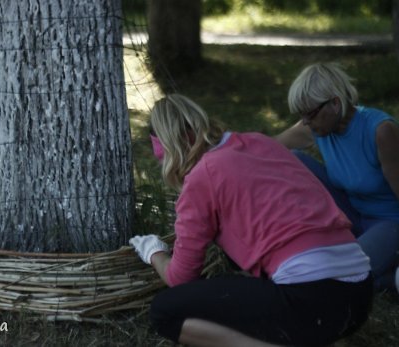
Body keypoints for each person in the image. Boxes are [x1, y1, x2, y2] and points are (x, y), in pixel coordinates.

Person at [129, 94, 372, 347]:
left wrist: (154, 252)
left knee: (165, 311)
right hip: (360, 295)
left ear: (171, 146)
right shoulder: (260, 142)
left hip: (310, 300)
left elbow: (180, 278)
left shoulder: (202, 176)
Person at [274, 62, 399, 309]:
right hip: (354, 210)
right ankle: (373, 270)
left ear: (335, 103)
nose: (305, 122)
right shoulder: (318, 126)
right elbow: (270, 146)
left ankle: (391, 276)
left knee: (339, 278)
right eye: (301, 116)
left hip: (392, 221)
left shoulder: (380, 130)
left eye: (309, 114)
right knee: (294, 160)